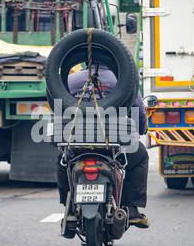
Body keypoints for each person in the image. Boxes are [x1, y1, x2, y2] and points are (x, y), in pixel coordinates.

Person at [56, 65, 150, 229]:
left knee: (62, 160)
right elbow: (138, 109)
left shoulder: (70, 80)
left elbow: (58, 107)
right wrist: (141, 129)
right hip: (114, 144)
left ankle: (68, 206)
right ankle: (133, 209)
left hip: (77, 143)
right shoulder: (124, 80)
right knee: (141, 157)